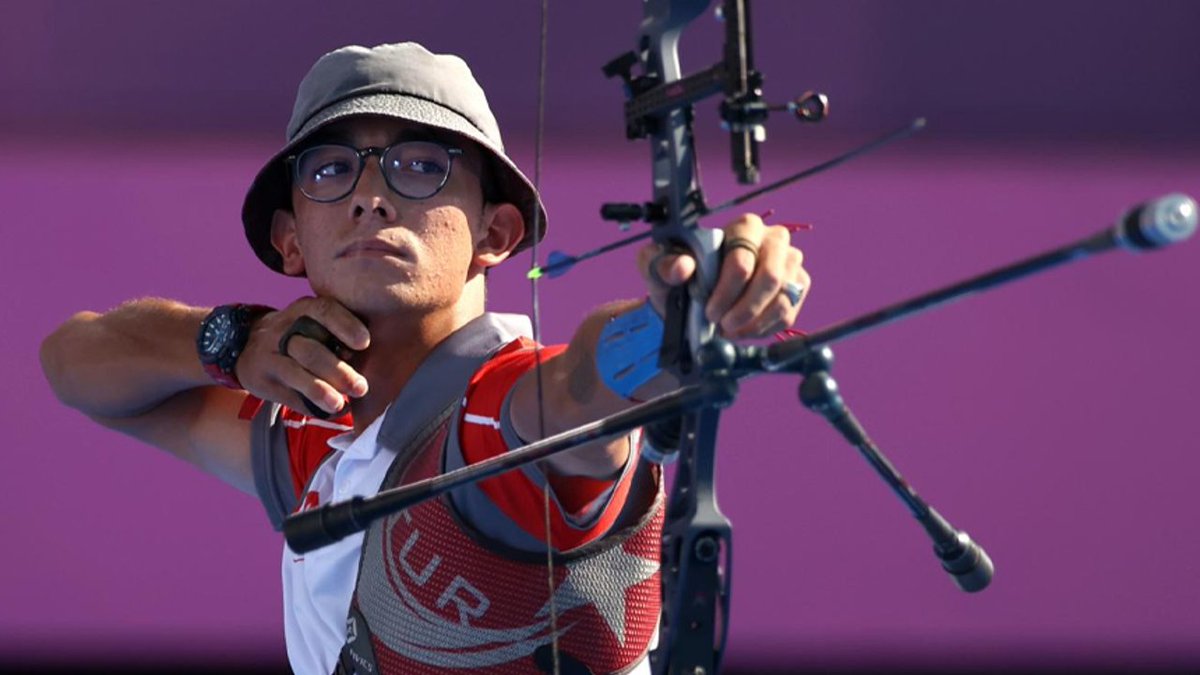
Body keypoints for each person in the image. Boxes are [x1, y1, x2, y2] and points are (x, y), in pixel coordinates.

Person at [39, 42, 811, 674]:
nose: (370, 196)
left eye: (419, 165)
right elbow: (72, 363)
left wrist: (688, 307)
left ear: (495, 233)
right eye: (331, 168)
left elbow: (587, 382)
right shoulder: (313, 426)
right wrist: (232, 340)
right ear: (290, 241)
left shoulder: (508, 412)